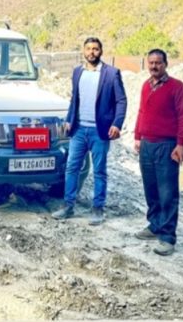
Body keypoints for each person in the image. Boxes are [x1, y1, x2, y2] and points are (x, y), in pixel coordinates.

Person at [52, 37, 127, 225]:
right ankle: (68, 206)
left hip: (99, 131)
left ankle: (98, 209)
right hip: (78, 130)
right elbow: (74, 99)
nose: (91, 52)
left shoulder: (111, 73)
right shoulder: (78, 72)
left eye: (95, 49)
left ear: (101, 51)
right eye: (88, 49)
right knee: (72, 168)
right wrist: (69, 120)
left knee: (99, 171)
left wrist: (117, 124)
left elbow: (121, 100)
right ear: (83, 51)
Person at [133, 48, 183, 256]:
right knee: (151, 190)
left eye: (158, 62)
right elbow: (141, 112)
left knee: (167, 193)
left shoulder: (177, 87)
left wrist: (181, 144)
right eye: (151, 62)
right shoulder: (145, 86)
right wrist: (138, 136)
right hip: (146, 145)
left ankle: (167, 237)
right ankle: (155, 225)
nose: (154, 66)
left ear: (166, 64)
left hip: (167, 146)